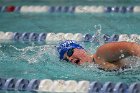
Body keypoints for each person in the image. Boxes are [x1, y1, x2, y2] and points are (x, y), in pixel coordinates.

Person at [57, 40, 140, 71]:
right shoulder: (95, 66)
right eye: (66, 60)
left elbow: (131, 47)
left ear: (80, 49)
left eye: (69, 52)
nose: (70, 59)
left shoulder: (100, 54)